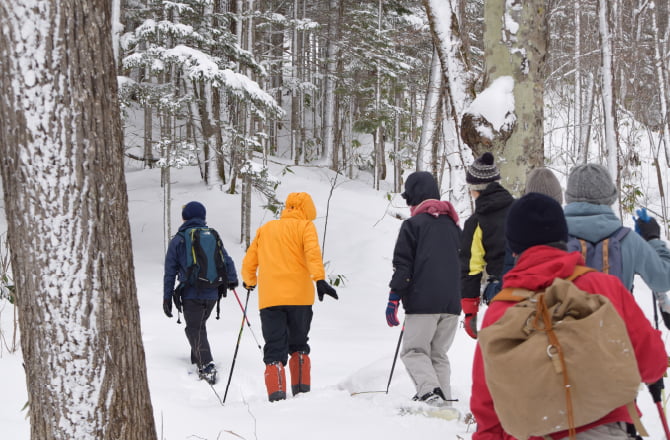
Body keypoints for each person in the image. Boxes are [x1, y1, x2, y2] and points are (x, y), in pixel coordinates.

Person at [471, 193, 667, 440]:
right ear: (564, 236)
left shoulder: (500, 311)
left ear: (513, 247)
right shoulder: (603, 287)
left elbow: (487, 404)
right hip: (607, 430)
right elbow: (652, 364)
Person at [241, 192, 338, 402]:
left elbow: (250, 261)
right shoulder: (305, 227)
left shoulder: (265, 229)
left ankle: (276, 397)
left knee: (274, 347)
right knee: (299, 344)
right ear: (307, 209)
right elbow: (313, 253)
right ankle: (302, 393)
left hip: (270, 299)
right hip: (300, 298)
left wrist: (249, 281)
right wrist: (319, 279)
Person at [385, 171, 462, 406]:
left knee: (414, 352)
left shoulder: (413, 226)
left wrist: (394, 297)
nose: (409, 206)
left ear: (415, 197)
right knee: (438, 354)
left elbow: (403, 265)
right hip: (452, 304)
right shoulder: (455, 228)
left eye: (409, 200)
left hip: (422, 303)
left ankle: (430, 394)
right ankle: (444, 402)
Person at [564, 163, 670, 323]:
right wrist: (653, 239)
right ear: (610, 197)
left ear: (569, 198)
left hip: (562, 341)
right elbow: (663, 280)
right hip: (616, 338)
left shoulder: (552, 239)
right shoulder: (628, 240)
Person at [163, 201, 239, 384]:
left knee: (194, 328)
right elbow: (226, 259)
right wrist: (232, 279)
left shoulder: (179, 239)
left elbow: (170, 271)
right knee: (199, 326)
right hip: (213, 293)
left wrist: (166, 297)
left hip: (191, 293)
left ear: (185, 217)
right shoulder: (212, 235)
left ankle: (207, 366)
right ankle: (196, 359)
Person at [459, 152, 514, 338]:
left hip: (501, 293)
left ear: (475, 189)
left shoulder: (477, 221)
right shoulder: (520, 208)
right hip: (531, 287)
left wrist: (470, 310)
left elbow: (471, 268)